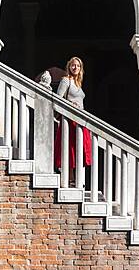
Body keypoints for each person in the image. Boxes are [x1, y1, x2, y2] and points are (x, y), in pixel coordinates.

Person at [54, 56, 92, 187]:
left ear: (81, 69)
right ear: (69, 67)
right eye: (73, 65)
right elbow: (58, 99)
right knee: (69, 148)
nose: (75, 67)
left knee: (79, 148)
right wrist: (71, 105)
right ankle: (69, 178)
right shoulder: (66, 80)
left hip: (80, 120)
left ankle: (77, 179)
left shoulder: (78, 83)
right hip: (71, 120)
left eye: (78, 66)